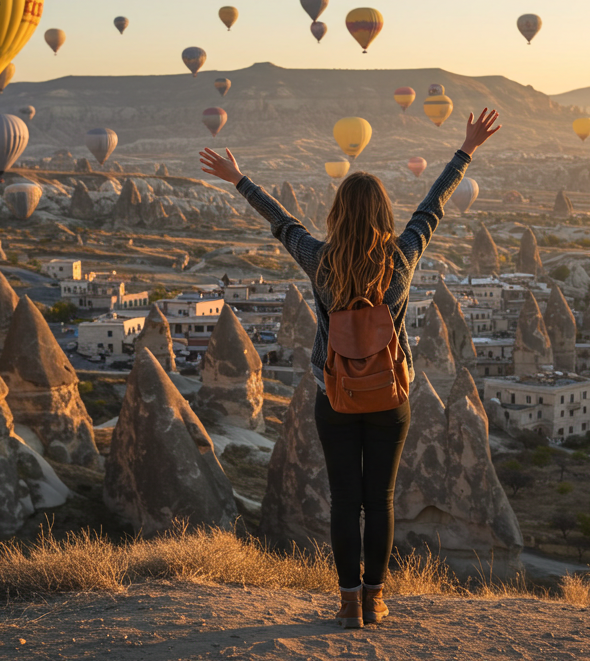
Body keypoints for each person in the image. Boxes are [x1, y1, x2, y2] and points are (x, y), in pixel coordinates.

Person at [199, 108, 501, 629]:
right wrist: (466, 149)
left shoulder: (320, 259)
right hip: (390, 395)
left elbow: (282, 222)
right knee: (379, 501)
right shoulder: (403, 258)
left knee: (344, 501)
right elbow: (431, 209)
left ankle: (346, 602)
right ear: (384, 214)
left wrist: (239, 178)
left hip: (335, 395)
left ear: (339, 213)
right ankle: (375, 600)